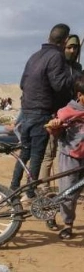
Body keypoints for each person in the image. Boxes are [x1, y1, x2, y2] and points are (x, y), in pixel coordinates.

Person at [10, 24, 73, 200]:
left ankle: (14, 187)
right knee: (37, 154)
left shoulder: (35, 56)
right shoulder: (56, 56)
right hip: (41, 112)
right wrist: (74, 79)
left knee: (25, 153)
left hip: (28, 110)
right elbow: (59, 84)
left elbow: (23, 83)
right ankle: (30, 191)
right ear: (65, 40)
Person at [39, 33, 83, 207]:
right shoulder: (58, 64)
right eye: (69, 47)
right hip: (57, 115)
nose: (72, 50)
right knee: (49, 154)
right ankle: (45, 189)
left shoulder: (78, 68)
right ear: (63, 47)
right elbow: (52, 87)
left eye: (75, 48)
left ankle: (72, 191)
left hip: (75, 117)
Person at [43, 75, 84, 241]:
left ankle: (54, 206)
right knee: (68, 193)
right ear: (80, 95)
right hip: (70, 156)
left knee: (73, 194)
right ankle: (67, 224)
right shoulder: (67, 111)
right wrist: (54, 127)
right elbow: (55, 130)